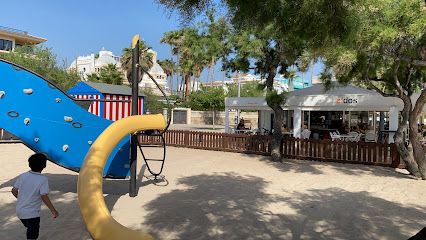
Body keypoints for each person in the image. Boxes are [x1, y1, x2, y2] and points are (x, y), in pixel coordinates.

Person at [11, 153, 58, 240]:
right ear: (44, 166)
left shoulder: (23, 176)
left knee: (30, 229)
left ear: (29, 164)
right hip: (32, 214)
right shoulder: (42, 179)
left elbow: (14, 190)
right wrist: (53, 209)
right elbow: (44, 196)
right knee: (32, 235)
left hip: (20, 212)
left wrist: (21, 199)